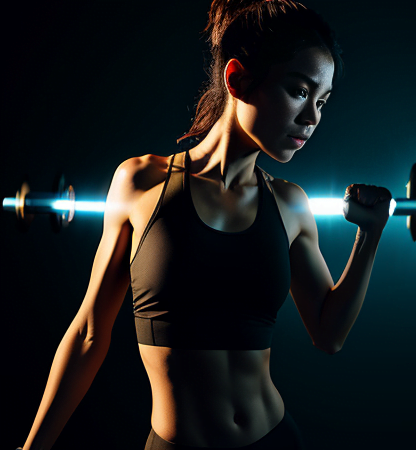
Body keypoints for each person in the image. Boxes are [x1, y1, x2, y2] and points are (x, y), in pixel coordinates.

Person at [19, 1, 392, 449]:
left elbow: (329, 335)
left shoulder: (290, 204)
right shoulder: (141, 183)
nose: (312, 118)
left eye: (323, 101)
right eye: (298, 91)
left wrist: (369, 235)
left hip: (274, 440)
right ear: (236, 79)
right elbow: (88, 333)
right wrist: (33, 447)